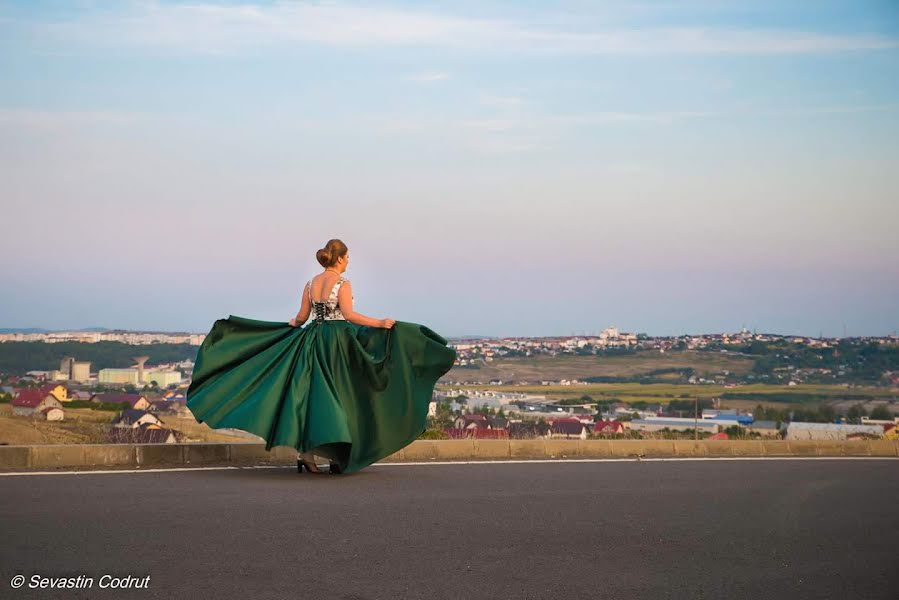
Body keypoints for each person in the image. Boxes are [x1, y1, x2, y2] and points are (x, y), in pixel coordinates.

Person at [185, 238, 456, 475]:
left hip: (313, 340)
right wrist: (380, 323)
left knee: (314, 399)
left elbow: (302, 318)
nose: (348, 262)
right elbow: (349, 316)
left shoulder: (311, 283)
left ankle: (308, 454)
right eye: (347, 257)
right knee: (343, 396)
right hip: (338, 343)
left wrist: (284, 326)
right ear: (339, 259)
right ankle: (340, 456)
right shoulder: (342, 283)